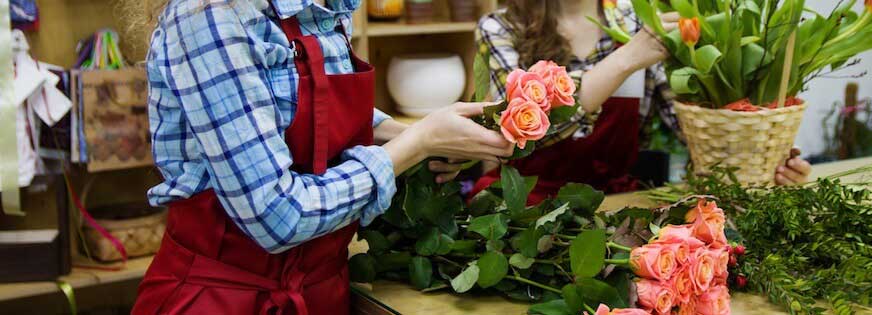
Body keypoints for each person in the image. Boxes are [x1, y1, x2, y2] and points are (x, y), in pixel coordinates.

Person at [130, 0, 513, 314]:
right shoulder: (209, 15)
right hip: (223, 298)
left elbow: (303, 108)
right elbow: (277, 215)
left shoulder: (320, 8)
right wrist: (417, 144)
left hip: (323, 292)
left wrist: (413, 134)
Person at [471, 0, 812, 204]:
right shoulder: (499, 27)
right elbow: (515, 136)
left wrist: (763, 159)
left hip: (617, 206)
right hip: (523, 206)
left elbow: (692, 127)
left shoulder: (636, 21)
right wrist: (625, 59)